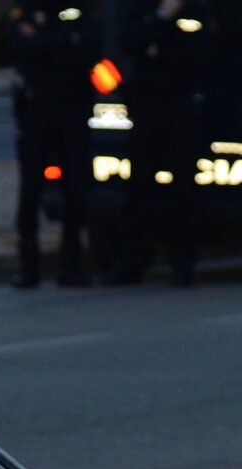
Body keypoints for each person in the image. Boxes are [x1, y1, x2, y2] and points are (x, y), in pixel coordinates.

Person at [102, 0, 212, 287]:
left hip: (181, 105)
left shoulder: (195, 9)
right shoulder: (143, 7)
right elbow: (130, 42)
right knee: (139, 188)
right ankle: (134, 260)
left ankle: (182, 264)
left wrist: (156, 42)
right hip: (147, 104)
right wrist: (162, 20)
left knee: (184, 190)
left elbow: (200, 52)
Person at [7, 0, 101, 288]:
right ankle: (28, 264)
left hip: (73, 108)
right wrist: (65, 39)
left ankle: (71, 264)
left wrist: (43, 42)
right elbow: (20, 48)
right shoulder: (26, 9)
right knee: (31, 188)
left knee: (76, 189)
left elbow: (90, 50)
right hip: (37, 109)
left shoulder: (80, 9)